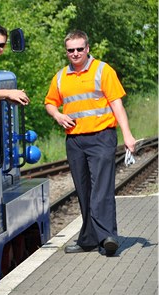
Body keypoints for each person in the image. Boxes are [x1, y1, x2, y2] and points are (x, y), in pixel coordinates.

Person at [44, 30, 136, 256]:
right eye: (70, 50)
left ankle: (107, 237)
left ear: (87, 49)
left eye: (79, 49)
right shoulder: (60, 77)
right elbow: (49, 103)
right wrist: (57, 115)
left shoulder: (103, 71)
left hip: (101, 137)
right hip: (75, 141)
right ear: (66, 51)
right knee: (84, 190)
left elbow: (117, 105)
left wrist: (128, 135)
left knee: (101, 189)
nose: (75, 53)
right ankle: (88, 239)